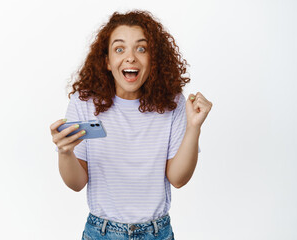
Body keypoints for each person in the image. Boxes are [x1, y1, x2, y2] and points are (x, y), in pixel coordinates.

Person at [50, 10, 212, 240]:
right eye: (119, 49)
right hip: (101, 233)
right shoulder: (84, 102)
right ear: (107, 61)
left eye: (141, 48)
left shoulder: (173, 103)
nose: (130, 57)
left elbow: (178, 179)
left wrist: (194, 127)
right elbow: (76, 184)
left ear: (153, 59)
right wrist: (65, 152)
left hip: (157, 233)